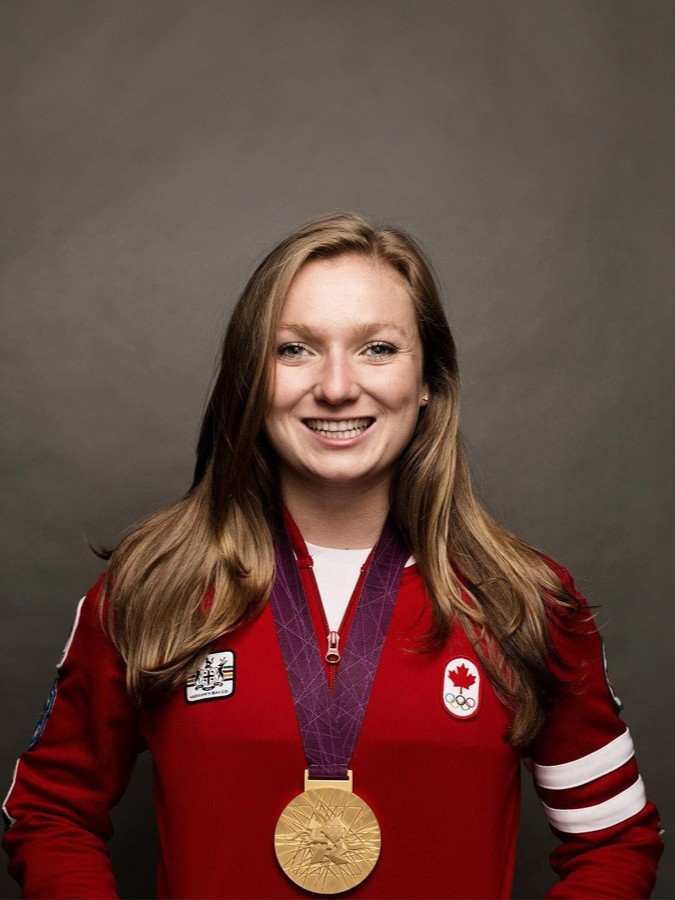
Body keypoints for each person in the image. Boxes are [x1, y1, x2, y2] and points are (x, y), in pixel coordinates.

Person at [2, 212, 662, 898]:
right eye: (295, 350)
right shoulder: (153, 588)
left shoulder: (523, 601)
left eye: (377, 348)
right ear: (249, 378)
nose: (338, 386)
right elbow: (49, 814)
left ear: (430, 378)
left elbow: (613, 839)